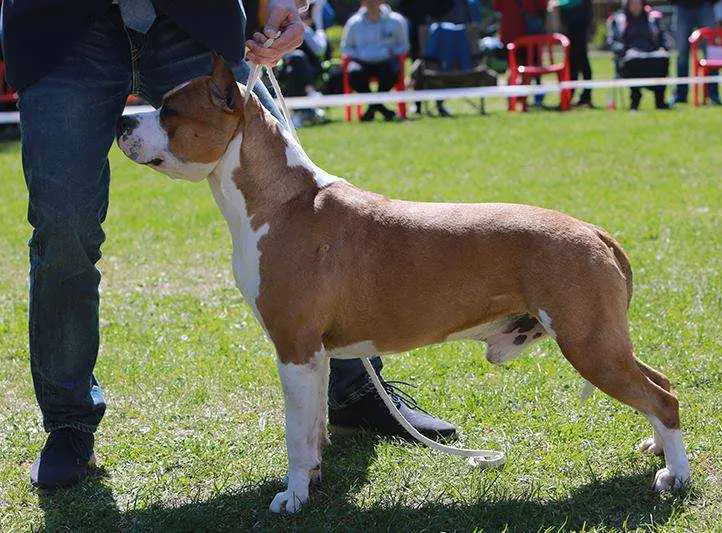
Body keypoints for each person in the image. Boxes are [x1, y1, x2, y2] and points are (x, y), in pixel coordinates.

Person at [2, 0, 454, 490]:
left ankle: (354, 388)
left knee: (294, 193)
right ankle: (69, 424)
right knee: (63, 227)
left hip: (190, 17)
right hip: (65, 28)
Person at [341, 0, 411, 122]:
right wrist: (361, 54)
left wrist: (390, 52)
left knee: (392, 71)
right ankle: (383, 110)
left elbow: (403, 46)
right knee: (354, 73)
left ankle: (372, 109)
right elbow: (346, 47)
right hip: (362, 62)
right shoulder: (353, 23)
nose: (371, 3)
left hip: (386, 61)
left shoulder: (396, 21)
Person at [607, 0, 671, 110]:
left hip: (651, 53)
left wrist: (663, 46)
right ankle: (635, 100)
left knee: (662, 58)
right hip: (630, 57)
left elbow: (663, 37)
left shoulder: (651, 19)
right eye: (633, 4)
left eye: (638, 3)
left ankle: (660, 102)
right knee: (633, 60)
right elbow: (611, 42)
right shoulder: (619, 20)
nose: (636, 6)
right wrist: (622, 50)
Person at [494, 0, 549, 106]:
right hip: (527, 35)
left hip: (510, 33)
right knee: (528, 68)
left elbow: (497, 7)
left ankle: (512, 101)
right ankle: (523, 100)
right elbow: (542, 5)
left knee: (513, 69)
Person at [671, 0, 720, 105]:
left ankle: (713, 95)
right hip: (682, 7)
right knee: (682, 55)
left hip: (705, 7)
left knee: (711, 54)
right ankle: (680, 95)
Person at [549, 0, 595, 107]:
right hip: (572, 26)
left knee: (580, 62)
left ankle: (584, 97)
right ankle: (571, 97)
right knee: (573, 63)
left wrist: (558, 4)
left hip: (578, 25)